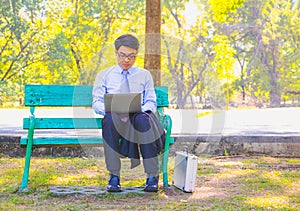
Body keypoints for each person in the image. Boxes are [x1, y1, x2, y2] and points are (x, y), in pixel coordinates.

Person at [92, 34, 165, 192]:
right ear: (116, 53)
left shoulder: (144, 75)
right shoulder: (105, 75)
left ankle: (152, 176)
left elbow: (151, 101)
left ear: (136, 55)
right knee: (109, 120)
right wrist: (112, 108)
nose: (127, 60)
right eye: (123, 55)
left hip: (138, 117)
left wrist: (141, 110)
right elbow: (96, 102)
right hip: (115, 117)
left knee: (143, 121)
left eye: (131, 56)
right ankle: (114, 176)